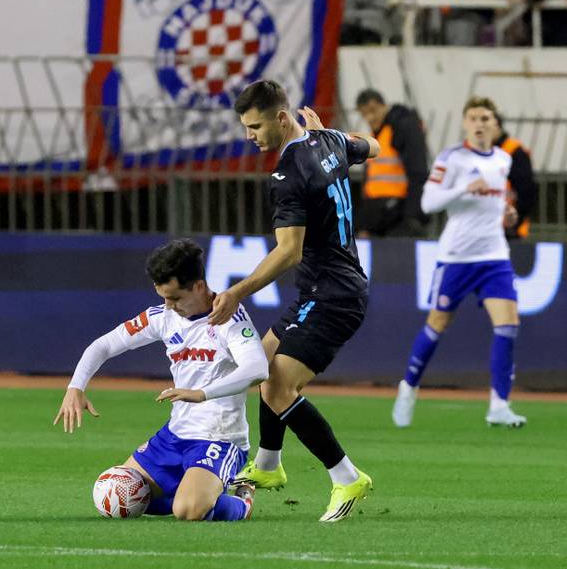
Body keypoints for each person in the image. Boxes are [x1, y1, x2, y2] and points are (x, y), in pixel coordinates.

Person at [209, 80, 379, 523]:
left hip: (332, 295)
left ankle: (346, 477)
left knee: (276, 385)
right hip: (329, 289)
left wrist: (234, 292)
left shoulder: (287, 174)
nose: (251, 136)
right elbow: (374, 147)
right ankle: (268, 465)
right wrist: (329, 137)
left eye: (256, 126)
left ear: (282, 118)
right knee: (257, 362)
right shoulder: (329, 139)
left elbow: (289, 252)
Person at [54, 239, 268, 521]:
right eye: (163, 298)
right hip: (173, 436)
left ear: (199, 286)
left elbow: (257, 368)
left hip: (219, 438)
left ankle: (242, 498)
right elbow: (103, 345)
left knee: (188, 511)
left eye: (175, 297)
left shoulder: (229, 318)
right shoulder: (163, 316)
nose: (168, 306)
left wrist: (202, 393)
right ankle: (196, 487)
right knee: (119, 492)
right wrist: (75, 387)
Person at [392, 96, 527, 428]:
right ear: (465, 123)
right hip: (457, 257)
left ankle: (499, 404)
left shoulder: (503, 159)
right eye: (473, 118)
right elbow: (428, 202)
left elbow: (495, 202)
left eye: (485, 117)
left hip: (494, 255)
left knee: (508, 325)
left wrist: (506, 214)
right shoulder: (452, 158)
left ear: (495, 124)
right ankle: (408, 387)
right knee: (437, 325)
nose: (480, 123)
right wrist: (465, 187)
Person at [355, 89, 429, 237]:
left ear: (384, 106)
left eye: (373, 110)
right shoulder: (377, 134)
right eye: (364, 114)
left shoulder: (402, 126)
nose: (369, 118)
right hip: (377, 212)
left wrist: (413, 216)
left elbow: (417, 171)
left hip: (398, 213)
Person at [491, 114, 537, 239]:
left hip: (508, 229)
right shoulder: (478, 152)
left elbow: (526, 191)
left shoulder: (514, 151)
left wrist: (515, 224)